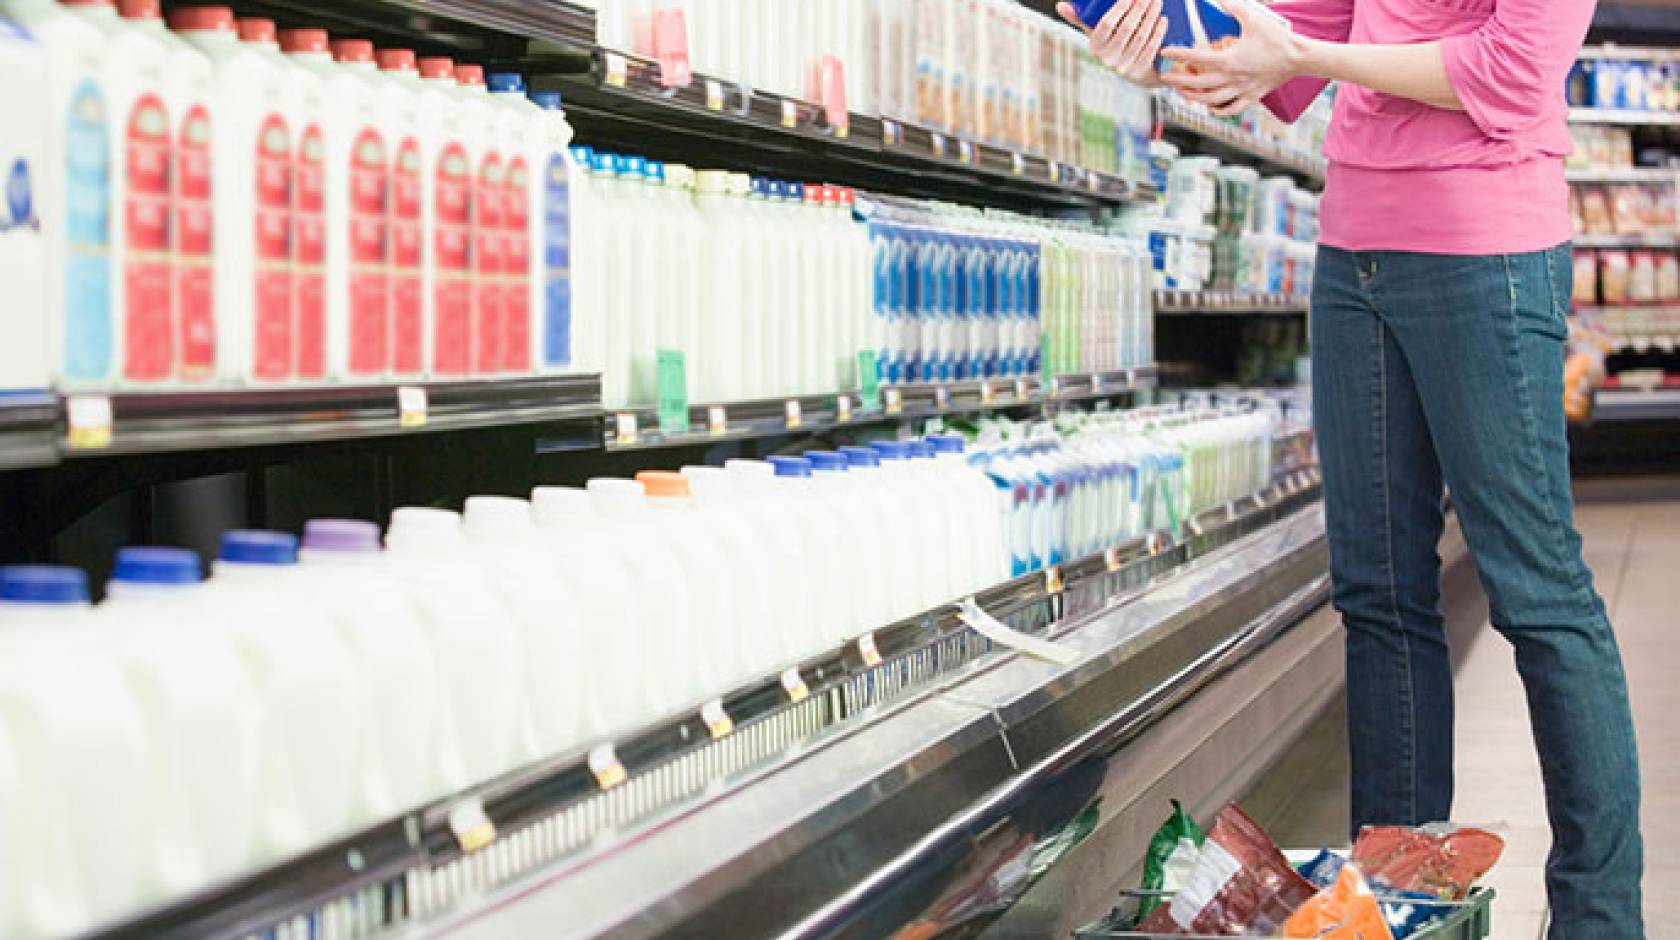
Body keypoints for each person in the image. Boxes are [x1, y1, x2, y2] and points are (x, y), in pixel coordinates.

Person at [1059, 0, 1646, 935]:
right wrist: (1170, 50)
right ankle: (1398, 905)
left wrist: (1305, 51)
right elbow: (1290, 47)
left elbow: (1510, 70)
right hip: (1354, 252)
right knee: (1377, 596)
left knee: (1539, 595)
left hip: (1483, 247)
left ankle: (1599, 917)